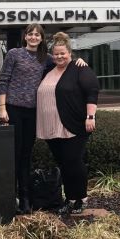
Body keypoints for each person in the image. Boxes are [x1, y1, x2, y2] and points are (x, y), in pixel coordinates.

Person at [0, 24, 87, 214]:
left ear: (42, 38)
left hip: (32, 112)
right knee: (14, 154)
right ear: (25, 36)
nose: (34, 37)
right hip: (13, 109)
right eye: (31, 34)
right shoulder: (14, 54)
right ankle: (10, 198)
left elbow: (64, 61)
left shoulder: (45, 58)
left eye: (37, 34)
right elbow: (3, 80)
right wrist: (2, 108)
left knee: (26, 156)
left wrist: (79, 61)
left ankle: (25, 199)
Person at [36, 32, 99, 215]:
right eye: (56, 54)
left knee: (74, 162)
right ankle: (70, 199)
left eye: (62, 53)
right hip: (51, 127)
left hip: (73, 125)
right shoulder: (48, 70)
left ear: (69, 53)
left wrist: (90, 116)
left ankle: (81, 198)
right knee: (64, 163)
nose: (59, 57)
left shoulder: (80, 69)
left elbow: (92, 91)